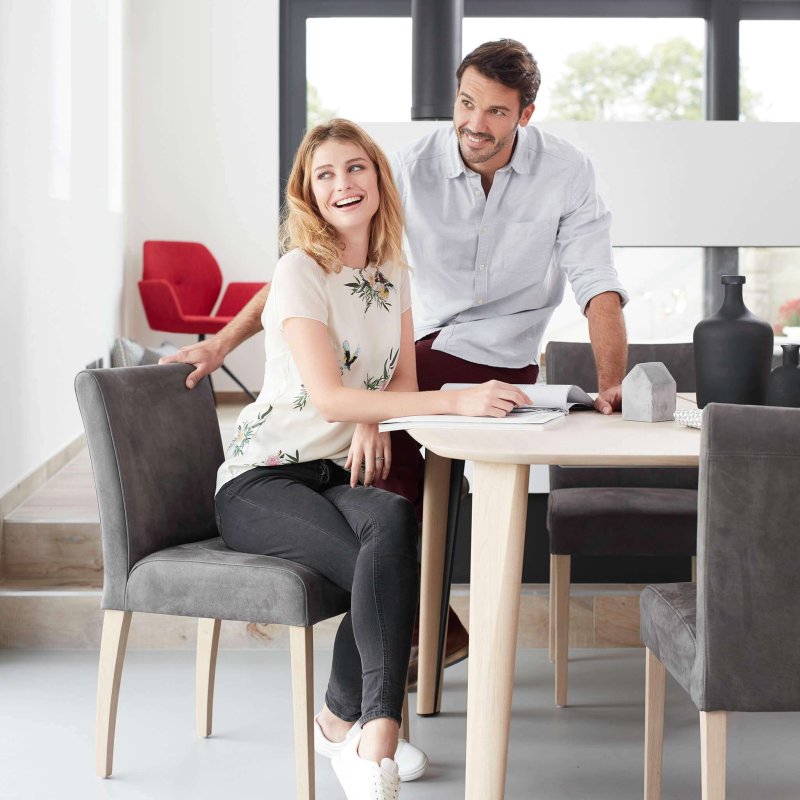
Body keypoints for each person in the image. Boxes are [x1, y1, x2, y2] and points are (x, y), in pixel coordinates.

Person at [162, 38, 629, 689]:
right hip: (422, 353)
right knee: (384, 481)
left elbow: (597, 285)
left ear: (525, 114)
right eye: (466, 103)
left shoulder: (567, 173)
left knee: (475, 489)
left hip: (508, 363)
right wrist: (220, 345)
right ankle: (413, 637)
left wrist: (611, 386)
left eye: (496, 111)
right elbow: (314, 266)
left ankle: (423, 635)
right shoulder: (408, 169)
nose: (475, 123)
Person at [211, 119, 531, 799]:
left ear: (377, 180)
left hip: (332, 474)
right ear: (309, 193)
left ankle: (339, 721)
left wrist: (377, 415)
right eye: (323, 175)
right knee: (378, 564)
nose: (341, 184)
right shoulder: (300, 270)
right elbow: (329, 397)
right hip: (261, 478)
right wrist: (458, 399)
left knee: (390, 519)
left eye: (354, 168)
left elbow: (403, 385)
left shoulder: (391, 274)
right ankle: (375, 730)